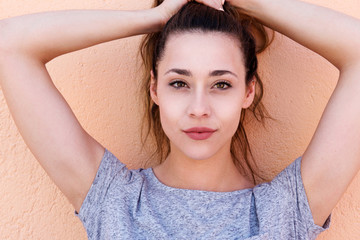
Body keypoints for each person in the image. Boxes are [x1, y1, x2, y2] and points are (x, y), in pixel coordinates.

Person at [0, 0, 359, 239]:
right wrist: (153, 19)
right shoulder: (115, 200)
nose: (198, 107)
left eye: (221, 84)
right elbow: (9, 42)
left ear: (248, 91)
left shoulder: (284, 212)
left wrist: (243, 1)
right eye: (179, 83)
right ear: (155, 89)